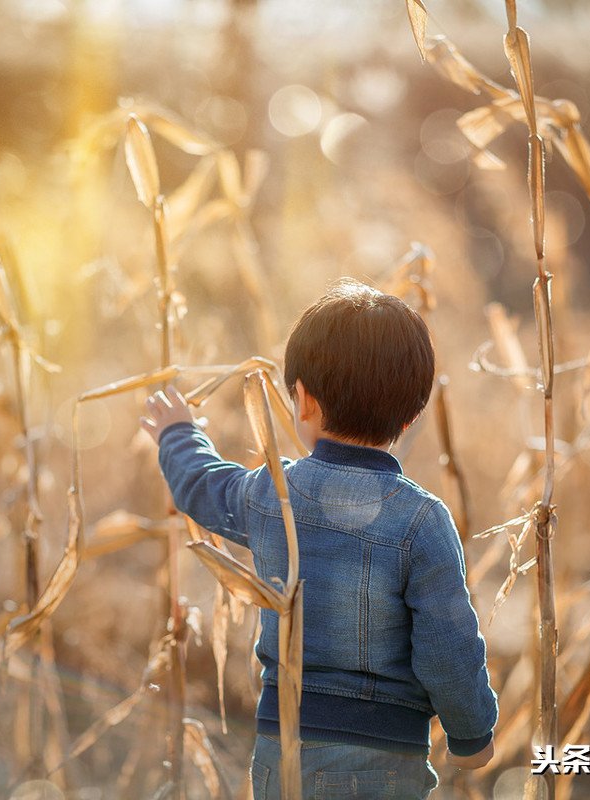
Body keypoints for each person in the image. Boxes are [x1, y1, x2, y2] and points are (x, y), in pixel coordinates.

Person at [139, 278, 498, 799]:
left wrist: (179, 433)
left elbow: (200, 484)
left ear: (302, 399)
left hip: (281, 748)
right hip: (385, 762)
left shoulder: (273, 496)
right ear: (410, 415)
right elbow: (448, 646)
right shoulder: (423, 522)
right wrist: (472, 736)